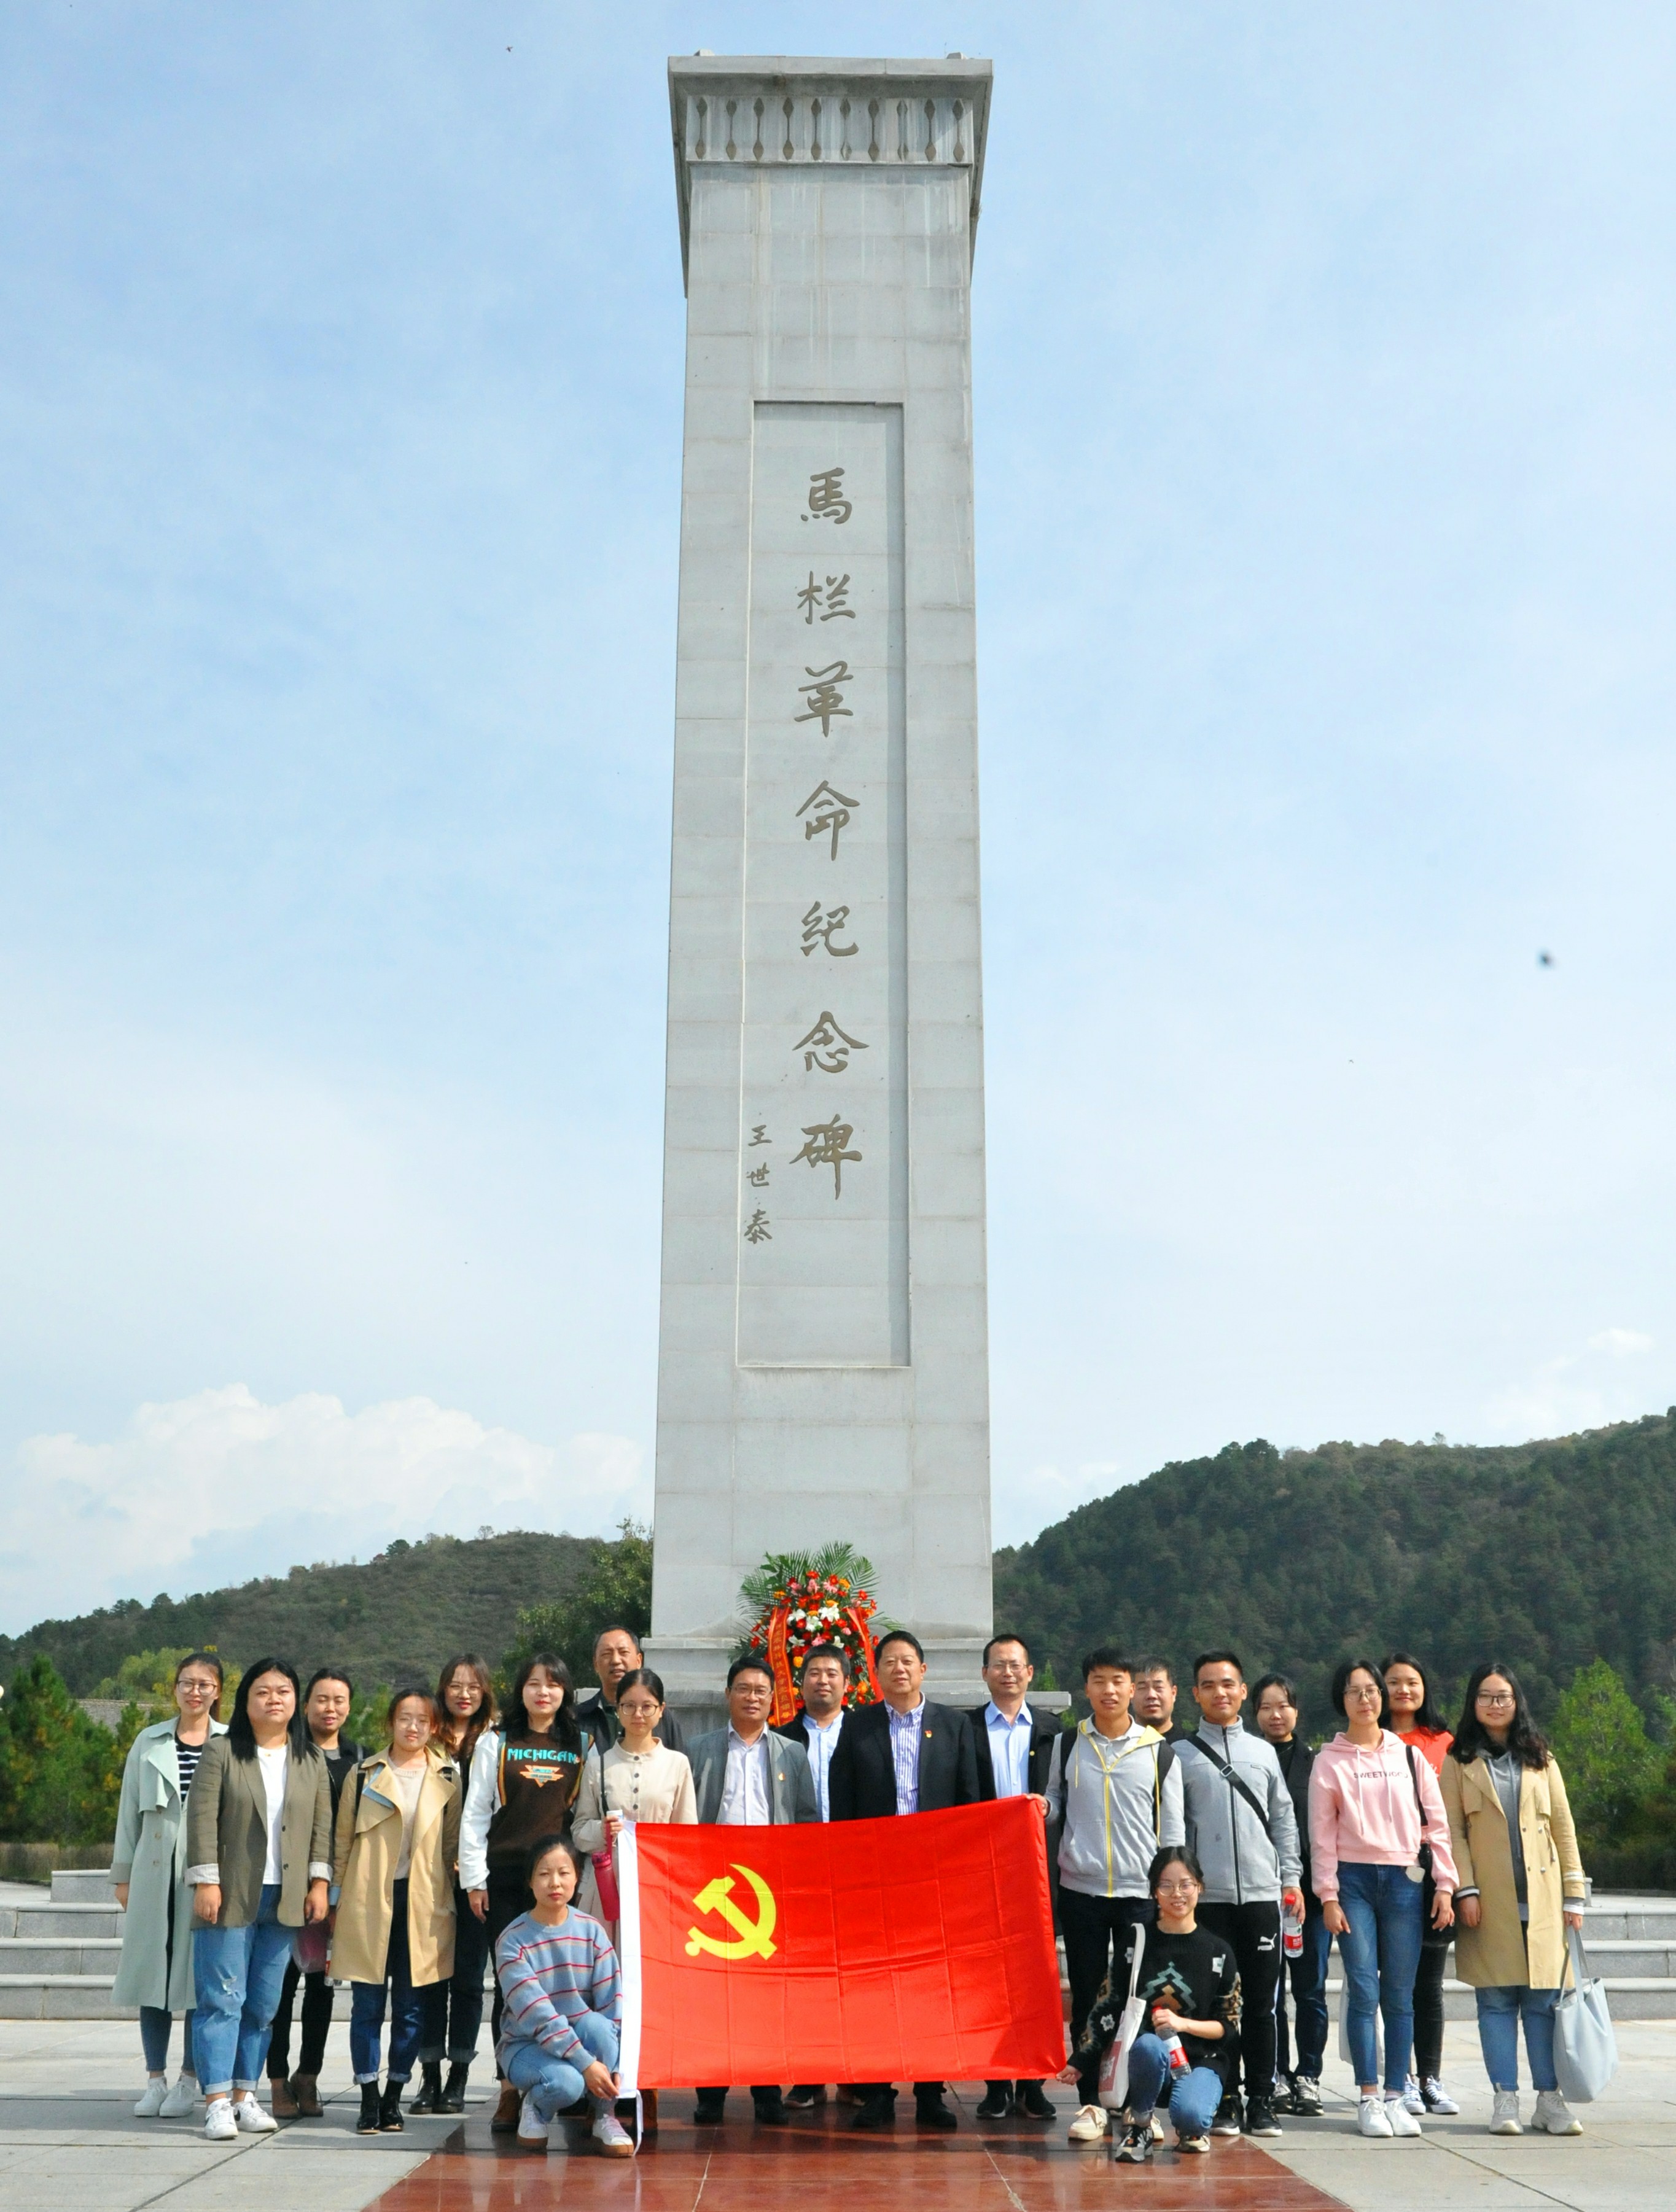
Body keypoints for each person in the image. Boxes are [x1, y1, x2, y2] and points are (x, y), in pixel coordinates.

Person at [828, 1629, 980, 2132]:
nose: (899, 1668)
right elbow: (842, 1802)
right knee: (875, 1986)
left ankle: (931, 2092)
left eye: (907, 1660)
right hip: (874, 1878)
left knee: (932, 1987)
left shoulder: (954, 1726)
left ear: (923, 1669)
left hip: (934, 1878)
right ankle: (877, 2093)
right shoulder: (857, 1726)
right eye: (889, 1661)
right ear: (876, 1673)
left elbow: (969, 1803)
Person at [185, 1658, 332, 2142]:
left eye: (284, 1691)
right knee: (221, 2001)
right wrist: (206, 1882)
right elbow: (201, 1820)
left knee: (263, 2005)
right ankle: (216, 2102)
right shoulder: (221, 1752)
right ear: (245, 1701)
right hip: (230, 1894)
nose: (274, 1699)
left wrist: (319, 1884)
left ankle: (245, 2096)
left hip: (285, 1900)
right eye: (263, 1691)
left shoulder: (310, 1760)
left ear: (296, 1701)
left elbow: (321, 1828)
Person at [1310, 1658, 1458, 2139]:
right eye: (1353, 1691)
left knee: (1399, 1994)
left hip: (1404, 1880)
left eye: (1371, 1689)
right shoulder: (1328, 1761)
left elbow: (1436, 1826)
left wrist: (1445, 1885)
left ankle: (1396, 2095)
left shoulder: (1408, 1756)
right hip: (1351, 1882)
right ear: (1341, 1700)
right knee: (1363, 1989)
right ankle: (1368, 2096)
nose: (1365, 1698)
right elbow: (1321, 1836)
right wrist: (1327, 1895)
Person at [1443, 1663, 1588, 2138]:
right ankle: (1504, 2097)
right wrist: (1464, 1889)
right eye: (1485, 1696)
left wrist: (1573, 1895)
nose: (1494, 1704)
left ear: (1516, 1701)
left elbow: (1563, 1827)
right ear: (1473, 1703)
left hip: (1543, 1901)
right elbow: (1452, 1832)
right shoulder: (1458, 1760)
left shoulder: (1540, 1757)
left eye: (1502, 1696)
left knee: (1543, 2003)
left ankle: (1549, 2099)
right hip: (1488, 1902)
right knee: (1495, 2001)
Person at [1048, 1646, 1183, 2146]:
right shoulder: (1068, 1743)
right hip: (1081, 1890)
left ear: (1132, 1687)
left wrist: (1169, 1891)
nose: (1109, 1690)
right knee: (1087, 1998)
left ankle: (1136, 2103)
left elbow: (1172, 1831)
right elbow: (1055, 1800)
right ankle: (1090, 2102)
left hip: (1137, 1895)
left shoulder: (1158, 1751)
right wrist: (1041, 1807)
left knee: (1137, 2001)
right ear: (1086, 1687)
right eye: (1099, 1680)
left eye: (1118, 1681)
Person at [1175, 1651, 1302, 2142]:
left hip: (1261, 1898)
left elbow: (1283, 1820)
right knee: (1214, 2006)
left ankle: (1262, 2099)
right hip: (1208, 1903)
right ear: (1195, 1694)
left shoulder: (1262, 1752)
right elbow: (1174, 1830)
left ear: (1242, 1691)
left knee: (1262, 2005)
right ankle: (1225, 2097)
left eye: (1228, 1684)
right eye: (1208, 1685)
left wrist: (1289, 1879)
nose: (1219, 1693)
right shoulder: (1180, 1755)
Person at [687, 1656, 819, 2126]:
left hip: (769, 1886)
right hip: (715, 1884)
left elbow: (806, 1819)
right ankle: (711, 2092)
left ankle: (766, 2091)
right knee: (714, 1994)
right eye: (743, 1689)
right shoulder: (699, 1749)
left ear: (772, 1698)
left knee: (766, 1995)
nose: (752, 1697)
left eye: (761, 1690)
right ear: (728, 1694)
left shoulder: (791, 1753)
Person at [459, 1651, 587, 2133]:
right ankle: (509, 2089)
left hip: (559, 1882)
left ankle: (562, 2082)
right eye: (534, 1683)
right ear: (521, 1690)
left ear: (564, 1691)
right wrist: (475, 1880)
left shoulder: (582, 1744)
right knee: (510, 1987)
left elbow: (585, 1815)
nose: (543, 1692)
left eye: (552, 1684)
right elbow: (476, 1813)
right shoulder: (497, 1741)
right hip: (507, 1877)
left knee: (562, 1984)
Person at [330, 1687, 462, 2135]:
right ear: (391, 1722)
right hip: (368, 1900)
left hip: (422, 1902)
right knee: (367, 2005)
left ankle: (393, 2097)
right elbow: (342, 1842)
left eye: (423, 1721)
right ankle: (369, 2096)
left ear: (434, 1727)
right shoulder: (364, 1774)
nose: (413, 1727)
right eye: (405, 1718)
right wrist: (335, 1900)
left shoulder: (447, 1775)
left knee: (410, 2009)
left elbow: (450, 1846)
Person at [1059, 1845, 1241, 2164]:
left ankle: (1191, 2126)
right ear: (1154, 1892)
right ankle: (1140, 2123)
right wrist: (1081, 2059)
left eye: (1186, 1885)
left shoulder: (1219, 1951)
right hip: (1148, 2060)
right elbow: (1108, 2005)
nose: (1177, 1894)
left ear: (1200, 1887)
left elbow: (1229, 2026)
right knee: (1147, 2045)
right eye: (1166, 1886)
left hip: (1200, 2060)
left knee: (1192, 2117)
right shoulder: (1137, 1941)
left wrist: (1183, 2024)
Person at [113, 1653, 227, 2119]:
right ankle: (155, 2079)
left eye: (204, 1684)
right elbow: (128, 1810)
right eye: (187, 1682)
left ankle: (188, 2080)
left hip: (204, 1875)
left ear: (218, 1692)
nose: (194, 1691)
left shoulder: (229, 1743)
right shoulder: (149, 1739)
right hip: (153, 1871)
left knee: (197, 1980)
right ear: (175, 1688)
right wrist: (123, 1874)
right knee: (152, 1978)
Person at [969, 1632, 1062, 2123]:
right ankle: (996, 2083)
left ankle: (1032, 2082)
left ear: (1029, 1673)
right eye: (998, 1665)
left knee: (1035, 1980)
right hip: (984, 1871)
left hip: (1037, 1872)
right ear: (984, 1674)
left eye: (1015, 1665)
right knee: (990, 1981)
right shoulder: (965, 1729)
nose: (1007, 1672)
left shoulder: (1053, 1730)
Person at [496, 1834, 633, 2156]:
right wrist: (586, 2064)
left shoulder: (592, 1931)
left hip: (581, 2036)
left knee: (602, 2029)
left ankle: (604, 2115)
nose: (554, 1883)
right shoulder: (513, 1941)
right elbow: (539, 2016)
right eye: (544, 1874)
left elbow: (612, 2006)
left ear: (577, 1877)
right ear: (530, 1882)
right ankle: (536, 2106)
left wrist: (614, 2060)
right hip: (527, 2044)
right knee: (567, 2084)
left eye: (564, 1873)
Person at [266, 1668, 362, 2119]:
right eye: (322, 1699)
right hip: (286, 1886)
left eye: (339, 1700)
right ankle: (277, 2080)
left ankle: (309, 2076)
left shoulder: (358, 1759)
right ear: (305, 1706)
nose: (330, 1708)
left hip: (335, 1892)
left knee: (322, 1991)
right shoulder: (287, 1753)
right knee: (280, 1990)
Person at [412, 1653, 496, 2114]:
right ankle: (428, 2075)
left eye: (473, 1687)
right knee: (430, 1977)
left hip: (476, 1878)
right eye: (456, 1686)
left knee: (468, 1978)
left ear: (485, 1692)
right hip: (430, 1875)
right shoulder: (426, 1739)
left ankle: (459, 2075)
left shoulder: (496, 1740)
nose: (464, 1695)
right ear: (442, 1689)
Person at [773, 1642, 852, 2111]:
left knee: (852, 1977)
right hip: (797, 1872)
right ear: (800, 1685)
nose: (822, 1680)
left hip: (852, 1869)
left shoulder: (865, 1733)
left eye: (831, 1673)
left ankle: (855, 2075)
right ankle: (808, 2075)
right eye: (814, 1673)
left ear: (847, 1683)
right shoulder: (781, 1739)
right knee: (803, 1978)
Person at [1382, 1651, 1460, 2118]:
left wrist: (1452, 1882)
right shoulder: (1370, 1741)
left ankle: (1430, 2077)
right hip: (1384, 1870)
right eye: (1393, 1682)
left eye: (1411, 1682)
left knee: (1428, 1984)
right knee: (1395, 1982)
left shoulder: (1445, 1743)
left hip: (1433, 1871)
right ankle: (1402, 2078)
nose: (1403, 1690)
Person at [1252, 1673, 1328, 2119]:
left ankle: (1308, 2076)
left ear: (1296, 1711)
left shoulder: (1316, 1763)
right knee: (1271, 1992)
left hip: (1308, 1896)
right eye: (1266, 1707)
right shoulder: (1249, 1757)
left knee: (1311, 1990)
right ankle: (1277, 2075)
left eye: (1283, 1706)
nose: (1275, 1715)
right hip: (1262, 1892)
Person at [572, 1666, 698, 1928]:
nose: (638, 1714)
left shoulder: (677, 1764)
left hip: (660, 1882)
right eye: (629, 1706)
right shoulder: (599, 1765)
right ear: (618, 1709)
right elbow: (579, 1831)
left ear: (661, 1710)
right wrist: (602, 1830)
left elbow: (687, 1837)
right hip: (610, 1885)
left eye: (647, 1706)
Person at [574, 1626, 687, 1755]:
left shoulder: (662, 1718)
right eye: (606, 1654)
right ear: (596, 1664)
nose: (616, 1660)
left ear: (639, 1661)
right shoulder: (578, 1718)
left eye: (623, 1652)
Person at [1132, 1658, 1186, 1743]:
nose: (1151, 1695)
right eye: (1142, 1688)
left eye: (1159, 1687)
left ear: (1173, 1693)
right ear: (1131, 1694)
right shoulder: (1119, 1746)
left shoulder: (1191, 1747)